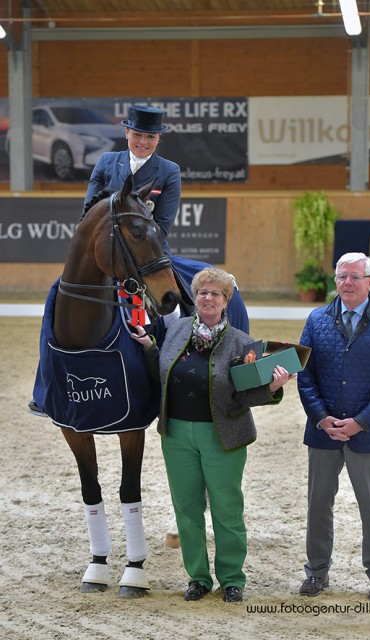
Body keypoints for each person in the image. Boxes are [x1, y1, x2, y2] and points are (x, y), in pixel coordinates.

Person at [131, 267, 295, 602]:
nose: (208, 298)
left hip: (223, 436)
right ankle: (198, 578)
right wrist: (149, 347)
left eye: (215, 294)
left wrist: (273, 387)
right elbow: (161, 371)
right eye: (203, 292)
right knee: (186, 510)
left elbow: (245, 396)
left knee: (227, 508)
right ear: (195, 298)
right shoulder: (176, 331)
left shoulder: (240, 343)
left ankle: (232, 578)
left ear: (225, 302)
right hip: (175, 434)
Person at [297, 252, 370, 602]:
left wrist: (360, 423)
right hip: (323, 432)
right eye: (342, 276)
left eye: (355, 277)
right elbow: (305, 376)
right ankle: (316, 571)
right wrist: (321, 417)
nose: (347, 282)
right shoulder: (316, 319)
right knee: (318, 504)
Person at [84, 104, 181, 255]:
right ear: (126, 132)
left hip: (148, 252)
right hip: (104, 247)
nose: (143, 142)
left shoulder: (169, 171)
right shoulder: (106, 161)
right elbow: (89, 214)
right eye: (137, 134)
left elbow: (162, 227)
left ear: (158, 138)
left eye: (150, 136)